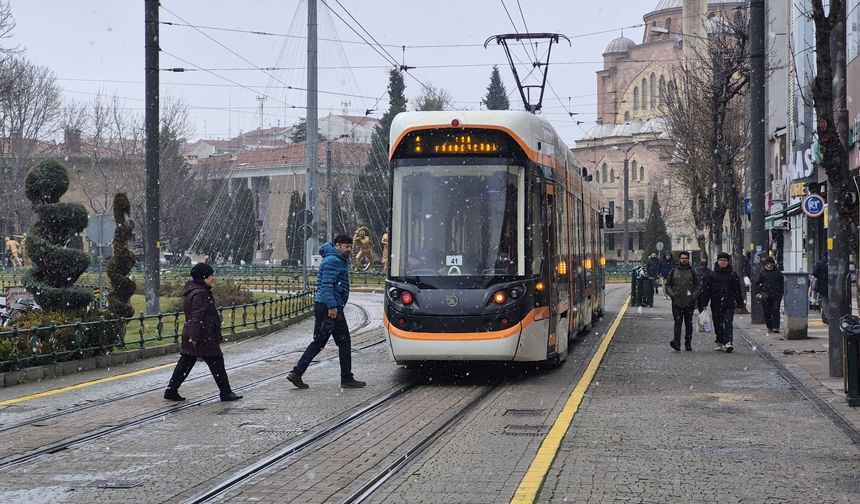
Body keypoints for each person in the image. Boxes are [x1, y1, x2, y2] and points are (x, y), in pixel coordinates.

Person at [288, 235, 366, 389]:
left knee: (319, 342)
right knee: (344, 342)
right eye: (346, 246)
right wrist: (332, 307)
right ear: (337, 246)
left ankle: (297, 373)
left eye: (350, 247)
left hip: (325, 305)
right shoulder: (333, 261)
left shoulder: (334, 259)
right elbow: (327, 285)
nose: (349, 250)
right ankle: (346, 379)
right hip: (331, 307)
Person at [164, 263, 242, 402]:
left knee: (186, 361)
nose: (213, 278)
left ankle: (171, 390)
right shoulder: (200, 293)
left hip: (196, 333)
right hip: (203, 335)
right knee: (216, 361)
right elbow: (197, 315)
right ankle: (225, 392)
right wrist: (194, 336)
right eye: (211, 275)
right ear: (204, 276)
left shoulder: (194, 290)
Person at [702, 252, 745, 353]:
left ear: (728, 262)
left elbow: (737, 290)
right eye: (721, 260)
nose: (723, 262)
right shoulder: (712, 275)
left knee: (728, 323)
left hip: (729, 303)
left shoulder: (733, 274)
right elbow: (707, 290)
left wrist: (740, 303)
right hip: (716, 303)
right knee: (718, 323)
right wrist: (704, 303)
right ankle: (720, 340)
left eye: (725, 260)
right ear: (717, 261)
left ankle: (728, 342)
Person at [665, 251, 701, 351]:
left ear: (688, 259)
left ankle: (688, 343)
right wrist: (672, 294)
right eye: (682, 258)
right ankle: (677, 343)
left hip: (689, 303)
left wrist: (693, 297)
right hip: (676, 302)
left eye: (685, 258)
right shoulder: (673, 271)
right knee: (677, 323)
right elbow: (667, 285)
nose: (684, 260)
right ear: (679, 259)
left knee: (688, 324)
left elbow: (698, 286)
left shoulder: (693, 271)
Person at [755, 256, 784, 333]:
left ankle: (776, 327)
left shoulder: (778, 272)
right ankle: (770, 327)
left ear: (774, 264)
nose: (770, 265)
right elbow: (758, 283)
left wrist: (781, 292)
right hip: (765, 295)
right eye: (768, 263)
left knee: (775, 310)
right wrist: (758, 292)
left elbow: (782, 283)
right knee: (767, 311)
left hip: (776, 295)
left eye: (771, 263)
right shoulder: (763, 272)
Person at [812, 254, 829, 324]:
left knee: (824, 302)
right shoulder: (833, 262)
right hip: (833, 286)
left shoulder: (819, 263)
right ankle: (829, 316)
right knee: (831, 302)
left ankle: (827, 316)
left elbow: (815, 274)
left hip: (822, 286)